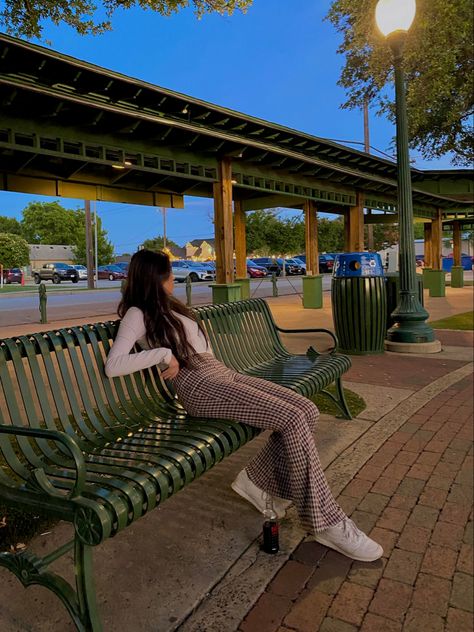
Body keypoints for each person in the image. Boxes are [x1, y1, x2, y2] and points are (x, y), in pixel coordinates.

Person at [105, 250, 383, 563]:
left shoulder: (170, 308)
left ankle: (256, 481)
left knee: (306, 410)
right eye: (169, 272)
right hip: (198, 387)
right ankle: (326, 522)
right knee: (291, 418)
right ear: (156, 276)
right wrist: (162, 355)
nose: (173, 277)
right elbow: (113, 365)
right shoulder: (137, 314)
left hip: (219, 373)